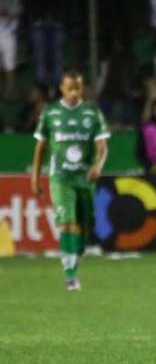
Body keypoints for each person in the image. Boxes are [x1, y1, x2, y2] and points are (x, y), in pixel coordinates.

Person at [31, 70, 110, 291]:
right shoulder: (51, 113)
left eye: (78, 88)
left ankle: (75, 255)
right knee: (67, 222)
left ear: (82, 88)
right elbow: (40, 147)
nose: (74, 92)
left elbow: (102, 147)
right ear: (61, 88)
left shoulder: (92, 113)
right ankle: (70, 274)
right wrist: (35, 178)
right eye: (70, 88)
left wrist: (97, 166)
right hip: (60, 177)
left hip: (84, 178)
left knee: (84, 225)